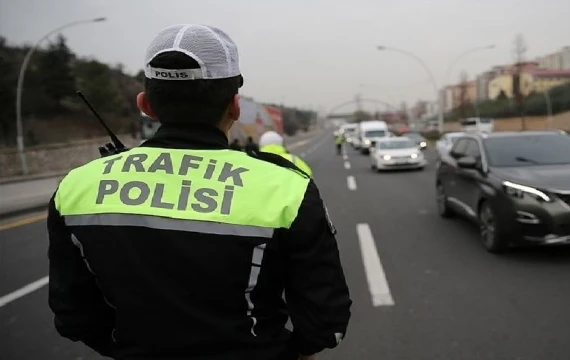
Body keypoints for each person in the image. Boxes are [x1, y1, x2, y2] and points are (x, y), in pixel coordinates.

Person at [47, 24, 351, 360]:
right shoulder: (287, 188)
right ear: (234, 106)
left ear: (145, 104)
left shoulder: (76, 187)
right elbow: (326, 321)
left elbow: (74, 313)